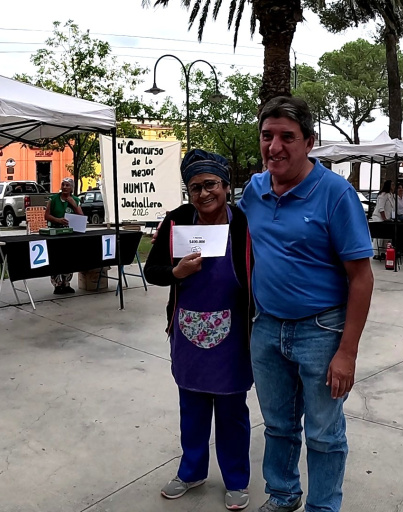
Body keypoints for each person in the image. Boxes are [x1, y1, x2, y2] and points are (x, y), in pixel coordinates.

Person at [239, 96, 374, 512]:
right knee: (278, 426)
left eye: (287, 137)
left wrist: (347, 353)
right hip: (267, 328)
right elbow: (227, 234)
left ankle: (322, 507)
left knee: (323, 433)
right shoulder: (255, 190)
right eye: (267, 135)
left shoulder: (336, 194)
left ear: (309, 142)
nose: (275, 146)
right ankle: (283, 494)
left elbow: (362, 278)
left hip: (322, 331)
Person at [145, 149, 254, 511]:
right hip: (187, 329)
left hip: (233, 335)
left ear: (226, 186)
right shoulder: (177, 221)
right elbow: (152, 271)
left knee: (232, 411)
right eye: (195, 188)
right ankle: (191, 472)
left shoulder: (243, 224)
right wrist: (176, 272)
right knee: (191, 406)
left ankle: (236, 479)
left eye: (210, 184)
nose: (204, 193)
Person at [44, 178, 83, 294]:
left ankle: (66, 283)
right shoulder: (53, 199)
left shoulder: (76, 200)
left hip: (69, 233)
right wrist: (58, 220)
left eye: (67, 185)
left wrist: (74, 205)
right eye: (63, 185)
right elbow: (46, 215)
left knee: (68, 258)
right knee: (55, 258)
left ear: (72, 188)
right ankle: (57, 284)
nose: (65, 187)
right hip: (55, 232)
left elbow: (81, 217)